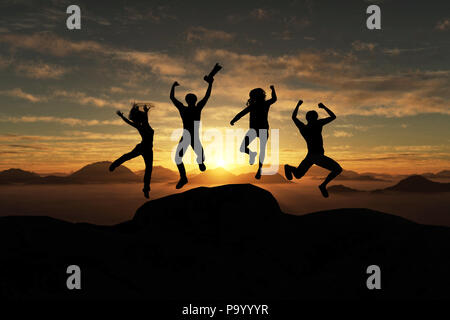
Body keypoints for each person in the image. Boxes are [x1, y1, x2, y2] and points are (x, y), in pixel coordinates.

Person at [284, 100, 342, 198]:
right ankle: (323, 185)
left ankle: (289, 167)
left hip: (310, 156)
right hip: (317, 156)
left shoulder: (303, 127)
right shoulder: (318, 124)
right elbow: (333, 117)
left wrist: (298, 105)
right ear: (316, 118)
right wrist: (324, 107)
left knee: (298, 175)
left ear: (307, 118)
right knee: (338, 169)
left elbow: (293, 117)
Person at [170, 76, 214, 189]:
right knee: (195, 157)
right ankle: (190, 172)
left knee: (178, 158)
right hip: (193, 136)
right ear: (194, 100)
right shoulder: (197, 107)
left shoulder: (184, 109)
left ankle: (184, 176)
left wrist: (173, 86)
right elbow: (207, 96)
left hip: (187, 136)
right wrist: (210, 84)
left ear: (187, 100)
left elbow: (172, 97)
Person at [230, 85, 277, 179]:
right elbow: (241, 113)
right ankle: (252, 154)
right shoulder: (254, 106)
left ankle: (259, 169)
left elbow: (274, 99)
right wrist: (234, 120)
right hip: (254, 130)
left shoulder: (264, 104)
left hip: (262, 130)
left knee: (262, 150)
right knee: (243, 148)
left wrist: (273, 89)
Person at [109, 104, 154, 198]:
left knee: (148, 169)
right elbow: (131, 122)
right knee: (130, 158)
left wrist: (146, 112)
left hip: (147, 149)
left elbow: (145, 119)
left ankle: (146, 189)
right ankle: (114, 164)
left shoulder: (144, 124)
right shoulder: (141, 126)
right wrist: (122, 116)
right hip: (143, 148)